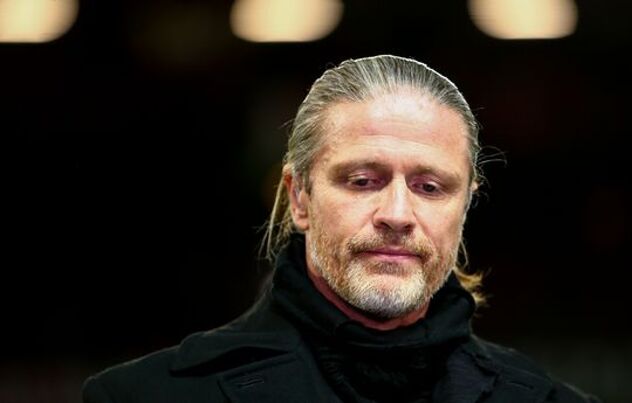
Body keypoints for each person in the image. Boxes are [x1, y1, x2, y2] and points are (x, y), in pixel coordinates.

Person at [83, 55, 600, 403]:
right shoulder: (144, 396)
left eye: (429, 187)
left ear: (465, 205)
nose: (396, 214)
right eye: (362, 180)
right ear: (299, 197)